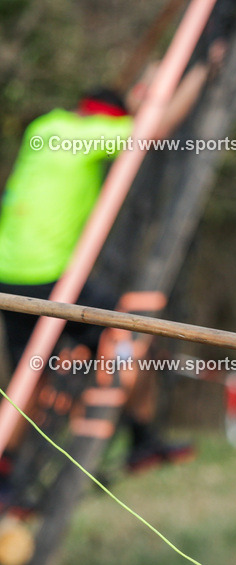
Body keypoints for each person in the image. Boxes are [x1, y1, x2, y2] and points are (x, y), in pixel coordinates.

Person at [0, 65, 211, 470]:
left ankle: (5, 469)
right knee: (132, 337)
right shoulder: (91, 137)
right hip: (50, 276)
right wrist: (200, 74)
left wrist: (144, 83)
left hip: (8, 273)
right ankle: (142, 438)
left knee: (30, 374)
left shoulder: (46, 126)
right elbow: (156, 127)